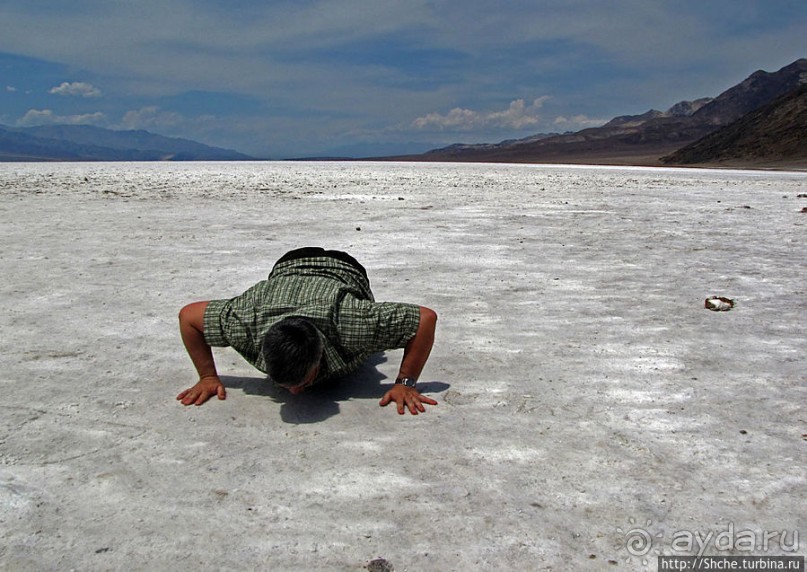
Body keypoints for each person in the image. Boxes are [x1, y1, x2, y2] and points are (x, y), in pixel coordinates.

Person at [176, 247, 438, 415]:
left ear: (319, 354)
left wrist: (405, 383)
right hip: (287, 265)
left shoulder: (351, 323)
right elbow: (189, 317)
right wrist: (207, 377)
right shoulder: (246, 321)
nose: (294, 393)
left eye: (302, 382)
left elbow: (423, 320)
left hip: (345, 268)